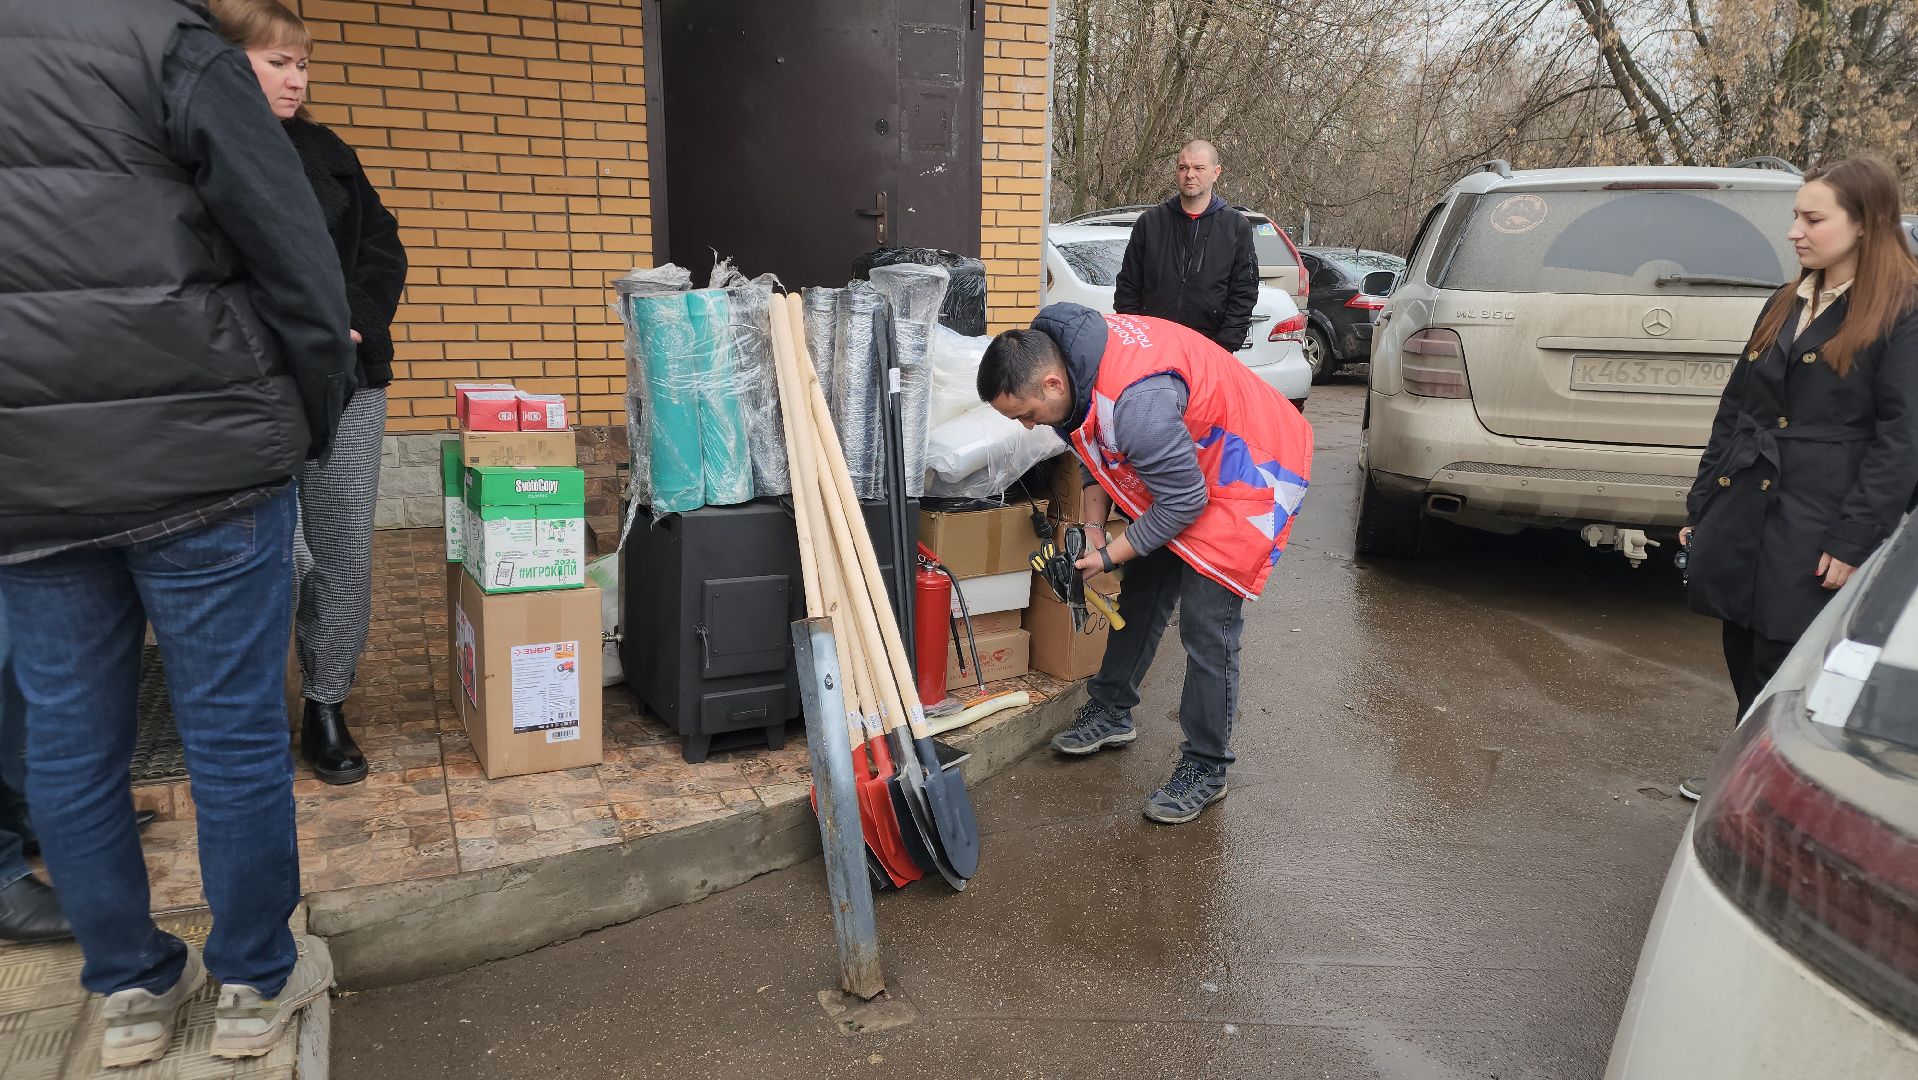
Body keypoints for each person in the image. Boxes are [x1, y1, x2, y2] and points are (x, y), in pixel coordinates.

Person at [0, 0, 352, 1066]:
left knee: (68, 744)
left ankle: (131, 994)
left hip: (26, 477)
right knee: (234, 736)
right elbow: (292, 248)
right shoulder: (164, 41)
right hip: (204, 456)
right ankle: (254, 981)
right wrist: (305, 415)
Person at [978, 305, 1313, 823]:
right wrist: (1093, 530)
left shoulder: (1137, 406)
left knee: (1207, 623)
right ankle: (1111, 709)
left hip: (1249, 466)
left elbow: (1184, 503)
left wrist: (1110, 552)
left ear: (1049, 382)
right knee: (1143, 583)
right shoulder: (1068, 371)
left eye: (1025, 414)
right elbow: (1091, 448)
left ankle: (1207, 765)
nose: (1026, 428)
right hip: (1186, 459)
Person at [212, 0, 410, 787]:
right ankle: (251, 708)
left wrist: (352, 322)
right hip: (247, 388)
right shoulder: (193, 160)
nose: (295, 79)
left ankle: (326, 703)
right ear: (226, 64)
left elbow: (382, 247)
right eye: (276, 62)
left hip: (348, 384)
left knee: (340, 552)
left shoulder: (327, 151)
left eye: (302, 64)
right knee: (270, 554)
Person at [1678, 156, 1918, 802]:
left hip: (1819, 522)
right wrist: (1701, 504)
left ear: (1864, 224)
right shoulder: (1787, 299)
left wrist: (1852, 540)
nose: (1795, 232)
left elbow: (1903, 439)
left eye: (1813, 218)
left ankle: (1768, 794)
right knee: (1742, 642)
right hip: (1746, 507)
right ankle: (1745, 774)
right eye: (1796, 217)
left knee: (1786, 661)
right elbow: (1736, 407)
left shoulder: (1901, 311)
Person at [1112, 139, 1262, 353]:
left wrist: (1225, 345)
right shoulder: (1151, 223)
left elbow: (1244, 292)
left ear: (1216, 172)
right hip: (1152, 346)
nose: (1190, 174)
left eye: (1199, 168)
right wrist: (1136, 336)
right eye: (1183, 167)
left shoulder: (1236, 226)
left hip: (1209, 349)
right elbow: (1128, 285)